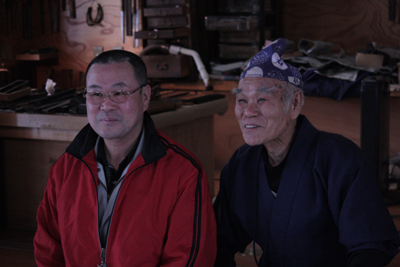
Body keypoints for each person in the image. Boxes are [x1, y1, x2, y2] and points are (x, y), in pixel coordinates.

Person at [213, 38, 400, 267]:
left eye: (262, 99)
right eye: (242, 100)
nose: (248, 112)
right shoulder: (241, 165)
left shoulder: (339, 159)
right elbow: (218, 241)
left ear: (294, 104)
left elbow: (371, 247)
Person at [34, 50, 216, 266]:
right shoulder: (65, 170)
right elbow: (48, 252)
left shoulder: (183, 173)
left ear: (145, 97)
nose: (106, 105)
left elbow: (188, 260)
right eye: (96, 94)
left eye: (119, 92)